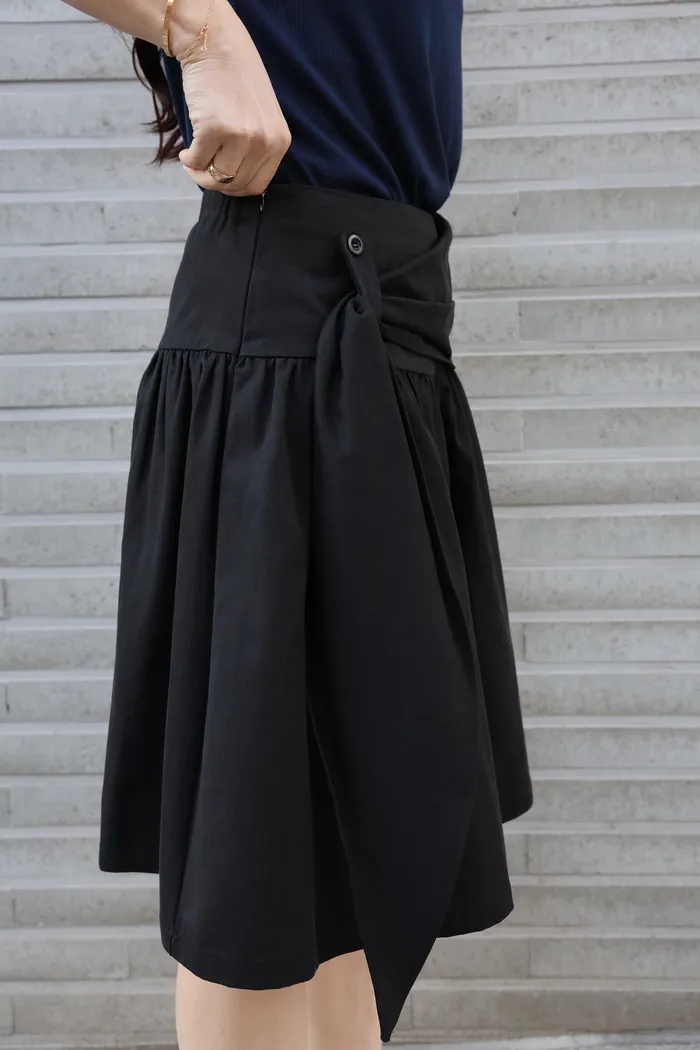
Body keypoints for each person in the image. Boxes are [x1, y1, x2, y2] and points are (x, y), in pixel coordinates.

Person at [61, 0, 533, 1046]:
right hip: (280, 356)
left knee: (347, 836)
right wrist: (199, 31)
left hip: (394, 333)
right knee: (261, 862)